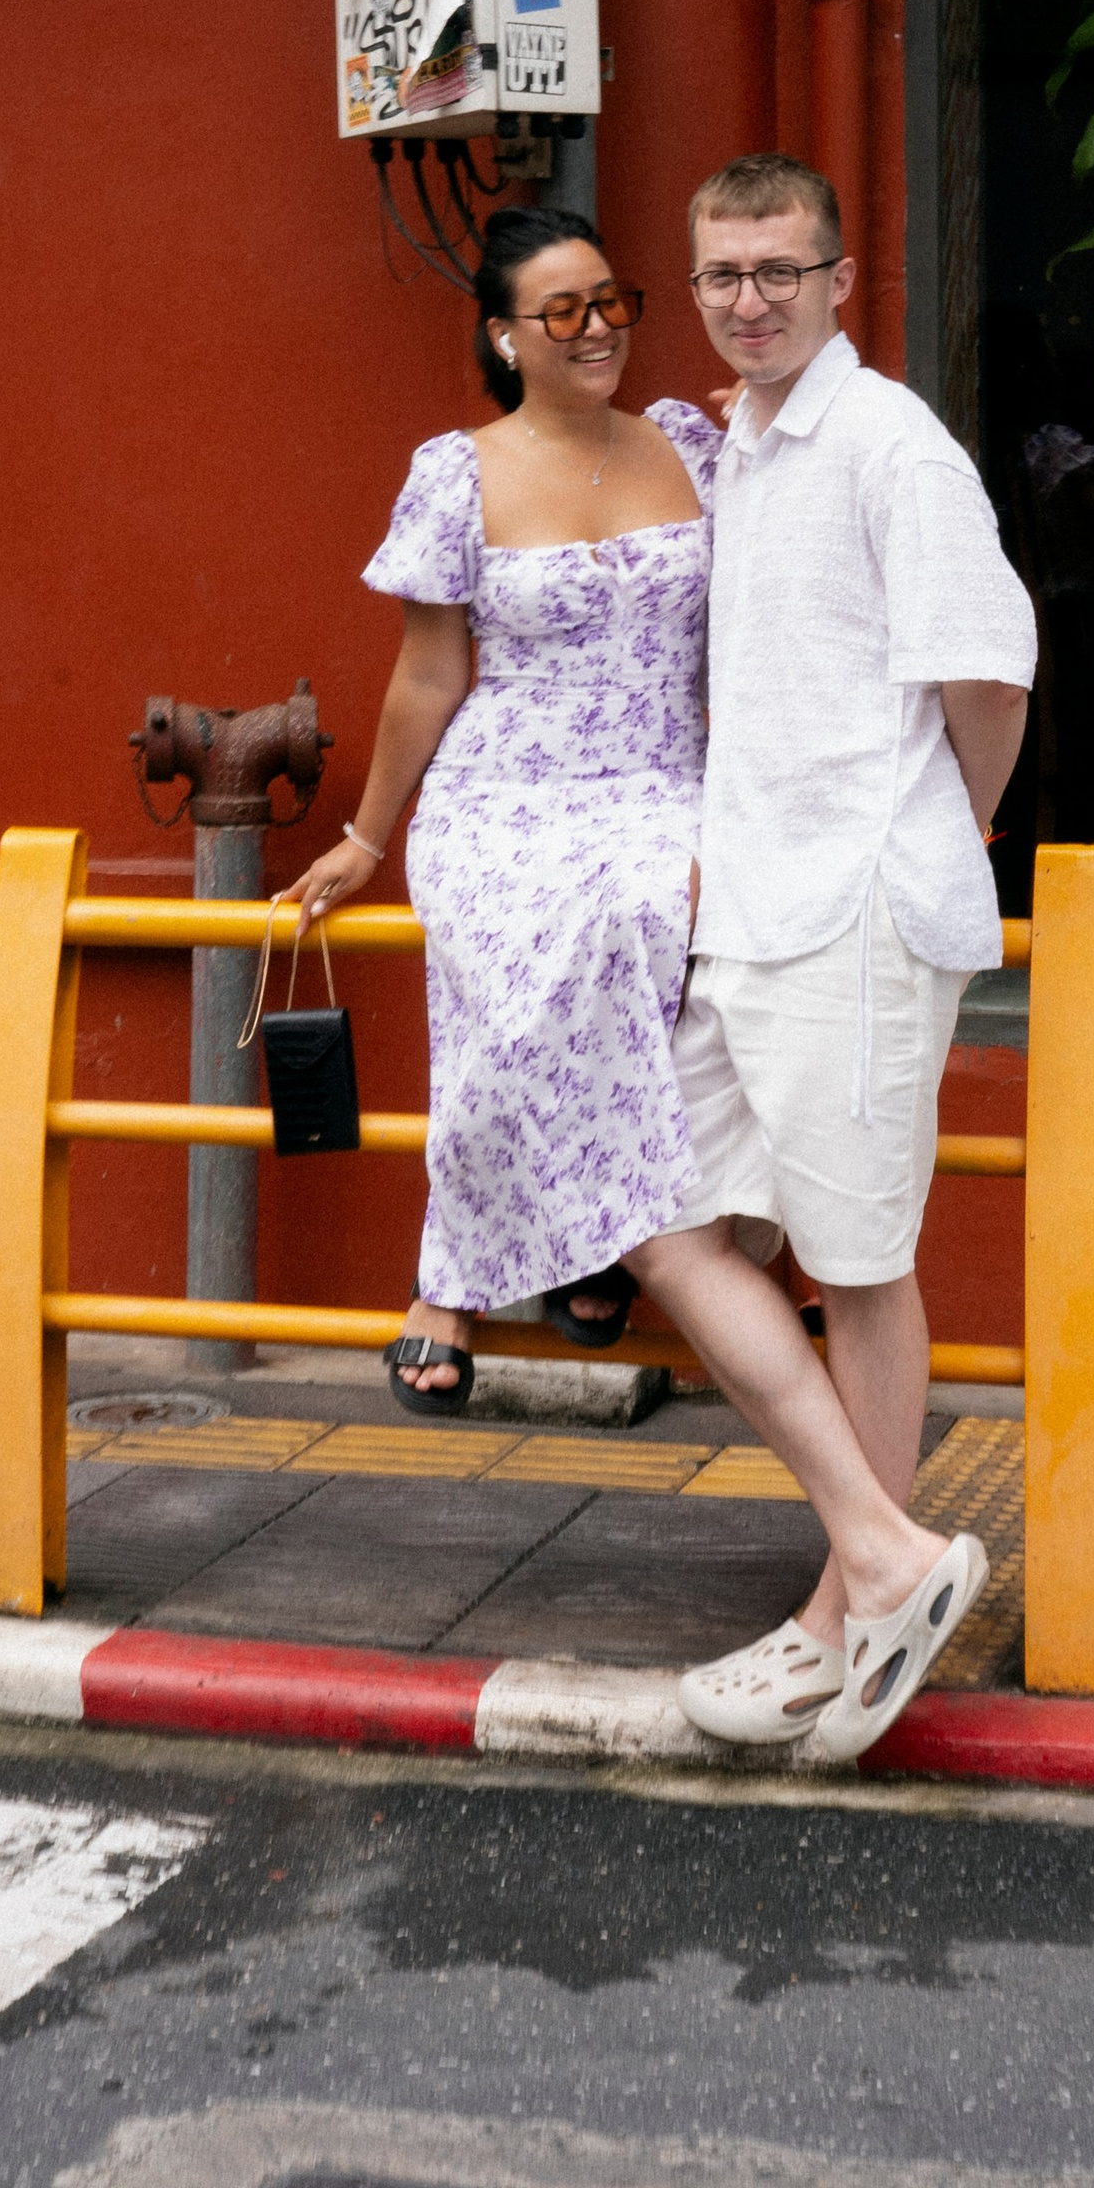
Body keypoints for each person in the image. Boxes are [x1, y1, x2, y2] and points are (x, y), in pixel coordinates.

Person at [622, 151, 1037, 1764]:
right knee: (661, 1217)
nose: (749, 301)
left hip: (855, 903)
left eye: (780, 272)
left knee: (858, 1265)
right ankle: (882, 1560)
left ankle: (845, 1611)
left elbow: (987, 678)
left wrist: (940, 837)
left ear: (841, 280)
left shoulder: (889, 446)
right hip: (752, 911)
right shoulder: (737, 444)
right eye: (724, 275)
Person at [279, 206, 721, 1413]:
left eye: (612, 302)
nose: (595, 330)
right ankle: (455, 1276)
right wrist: (368, 836)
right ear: (504, 336)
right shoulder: (455, 470)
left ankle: (598, 1241)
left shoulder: (695, 443)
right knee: (506, 976)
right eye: (562, 311)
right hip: (499, 791)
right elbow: (430, 671)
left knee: (646, 917)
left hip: (659, 782)